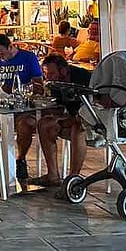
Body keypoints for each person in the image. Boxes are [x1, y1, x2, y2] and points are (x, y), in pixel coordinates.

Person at [0, 34, 45, 181]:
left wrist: (19, 88)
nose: (1, 58)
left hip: (24, 108)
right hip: (2, 106)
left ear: (10, 46)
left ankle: (20, 160)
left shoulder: (28, 58)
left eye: (2, 54)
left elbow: (39, 85)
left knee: (26, 125)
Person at [32, 54, 93, 186]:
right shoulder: (54, 84)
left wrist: (66, 119)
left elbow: (95, 103)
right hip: (71, 117)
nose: (48, 77)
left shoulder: (82, 77)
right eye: (46, 73)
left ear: (63, 70)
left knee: (78, 126)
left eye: (51, 73)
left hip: (91, 118)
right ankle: (52, 175)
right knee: (44, 124)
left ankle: (73, 178)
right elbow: (58, 107)